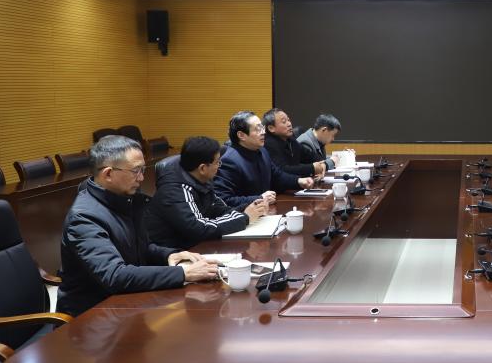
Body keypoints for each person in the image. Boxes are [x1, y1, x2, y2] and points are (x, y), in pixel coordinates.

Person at [57, 135, 218, 317]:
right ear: (108, 174)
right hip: (91, 316)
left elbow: (140, 248)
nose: (142, 178)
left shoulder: (125, 199)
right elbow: (115, 276)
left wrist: (169, 255)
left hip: (125, 304)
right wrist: (183, 273)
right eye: (136, 171)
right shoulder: (84, 218)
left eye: (143, 169)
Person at [146, 136, 267, 248]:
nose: (219, 166)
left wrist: (249, 208)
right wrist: (245, 217)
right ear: (203, 168)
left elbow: (220, 209)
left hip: (195, 246)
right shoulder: (174, 190)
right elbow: (199, 228)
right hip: (173, 253)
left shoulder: (201, 180)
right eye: (217, 162)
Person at [215, 111, 312, 210]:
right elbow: (223, 200)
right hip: (245, 215)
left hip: (266, 211)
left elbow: (276, 176)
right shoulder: (229, 161)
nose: (263, 132)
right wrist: (260, 198)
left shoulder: (262, 151)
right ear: (241, 135)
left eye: (262, 127)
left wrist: (298, 181)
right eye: (257, 129)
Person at [262, 108, 326, 180]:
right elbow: (282, 170)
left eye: (288, 120)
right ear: (271, 128)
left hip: (296, 183)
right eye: (284, 122)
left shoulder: (291, 140)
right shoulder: (268, 144)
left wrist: (322, 164)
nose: (289, 124)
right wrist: (312, 168)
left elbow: (310, 156)